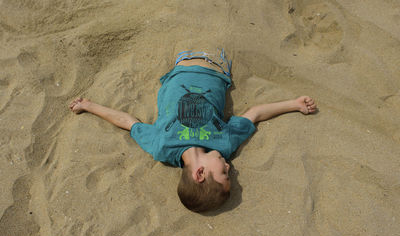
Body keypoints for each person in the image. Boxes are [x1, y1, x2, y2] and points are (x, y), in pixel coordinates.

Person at [69, 49, 317, 212]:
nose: (230, 169)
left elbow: (128, 122)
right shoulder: (226, 145)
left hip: (181, 63)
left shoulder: (162, 147)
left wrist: (89, 106)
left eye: (225, 175)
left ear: (200, 173)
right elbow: (254, 114)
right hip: (218, 65)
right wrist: (293, 104)